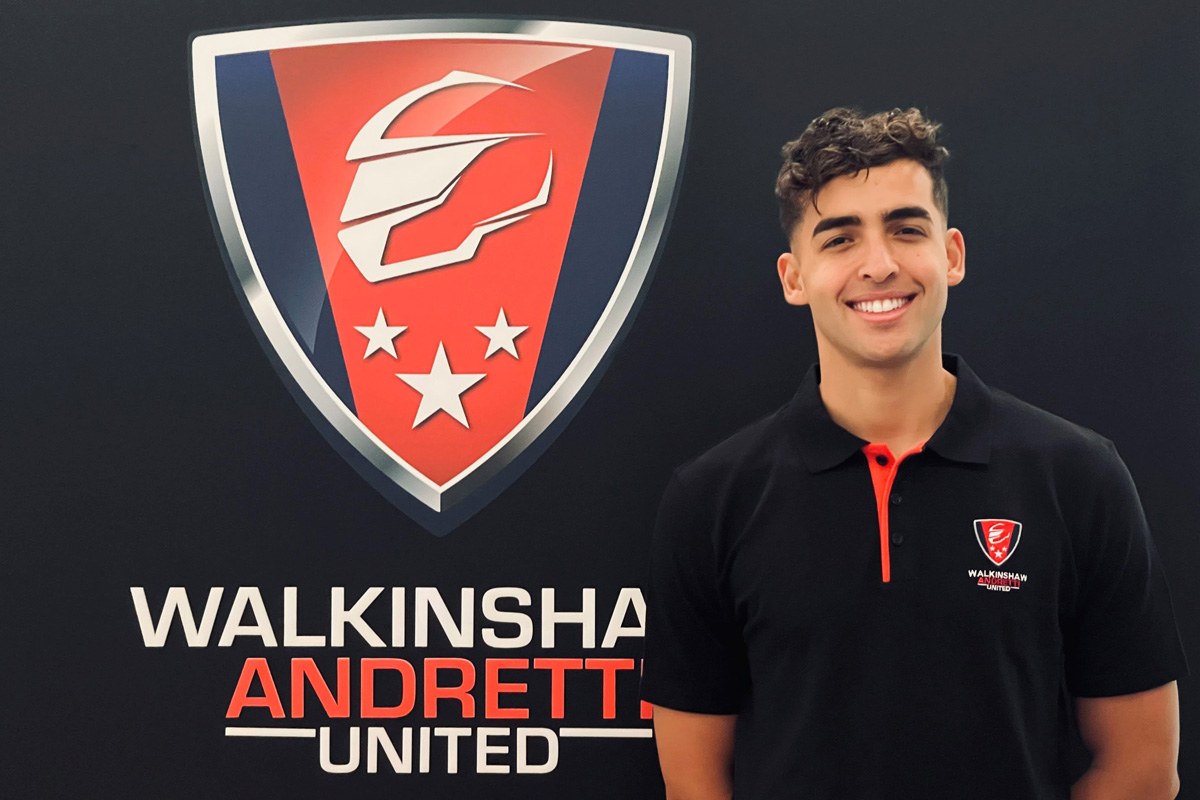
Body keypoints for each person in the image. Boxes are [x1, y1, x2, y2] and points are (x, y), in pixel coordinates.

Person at [639, 107, 1187, 800]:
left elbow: (1143, 768)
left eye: (906, 229)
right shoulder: (712, 498)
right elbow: (694, 781)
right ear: (794, 277)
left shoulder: (1079, 476)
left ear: (951, 255)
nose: (879, 264)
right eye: (840, 239)